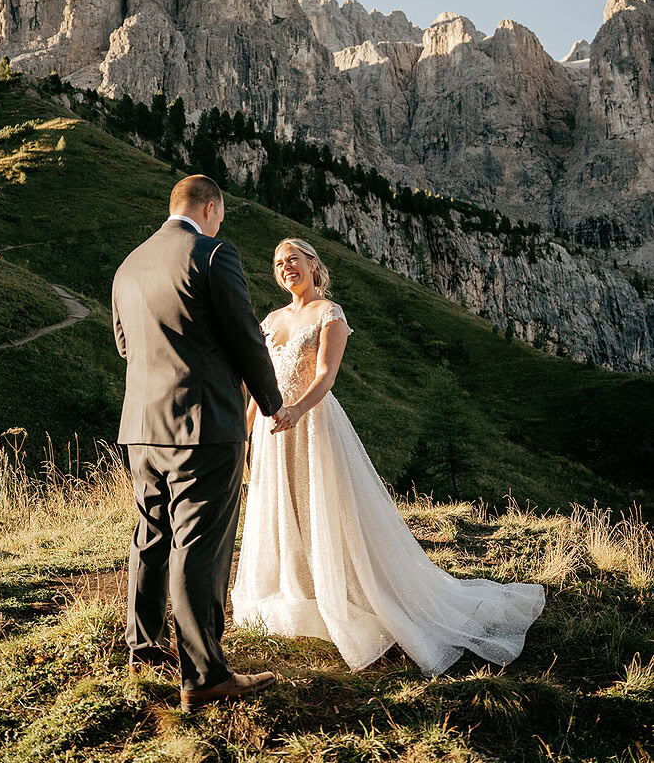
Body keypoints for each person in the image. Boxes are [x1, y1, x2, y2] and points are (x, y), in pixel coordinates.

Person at [231, 237, 545, 674]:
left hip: (311, 423)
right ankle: (299, 587)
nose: (287, 267)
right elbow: (259, 383)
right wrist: (244, 433)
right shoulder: (271, 320)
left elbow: (326, 376)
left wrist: (298, 410)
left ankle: (345, 589)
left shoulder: (329, 314)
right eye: (280, 262)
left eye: (294, 259)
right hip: (272, 431)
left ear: (313, 265)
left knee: (323, 504)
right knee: (284, 509)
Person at [112, 175, 291, 712]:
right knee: (199, 545)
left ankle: (145, 649)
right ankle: (205, 675)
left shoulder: (128, 265)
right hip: (205, 425)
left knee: (151, 533)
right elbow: (245, 336)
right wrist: (271, 400)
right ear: (210, 207)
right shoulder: (212, 255)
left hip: (142, 427)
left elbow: (125, 346)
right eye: (220, 216)